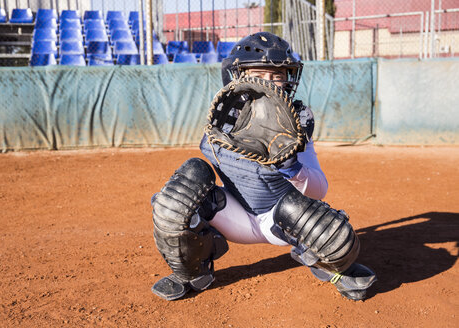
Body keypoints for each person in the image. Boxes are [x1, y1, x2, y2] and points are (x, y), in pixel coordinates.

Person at [151, 32, 376, 302]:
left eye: (278, 76)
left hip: (282, 222)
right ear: (237, 77)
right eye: (260, 75)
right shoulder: (224, 117)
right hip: (232, 217)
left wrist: (292, 168)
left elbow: (319, 189)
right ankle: (191, 273)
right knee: (184, 185)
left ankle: (339, 269)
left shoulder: (297, 122)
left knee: (315, 218)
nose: (271, 84)